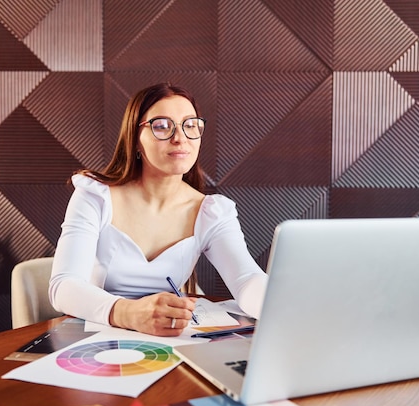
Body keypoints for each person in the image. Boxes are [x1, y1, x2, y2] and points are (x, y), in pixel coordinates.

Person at [49, 82, 267, 337]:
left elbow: (246, 280)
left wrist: (279, 305)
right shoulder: (95, 196)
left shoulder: (212, 211)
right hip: (97, 335)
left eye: (190, 125)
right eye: (162, 126)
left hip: (169, 339)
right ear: (135, 139)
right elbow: (63, 286)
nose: (180, 138)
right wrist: (130, 313)